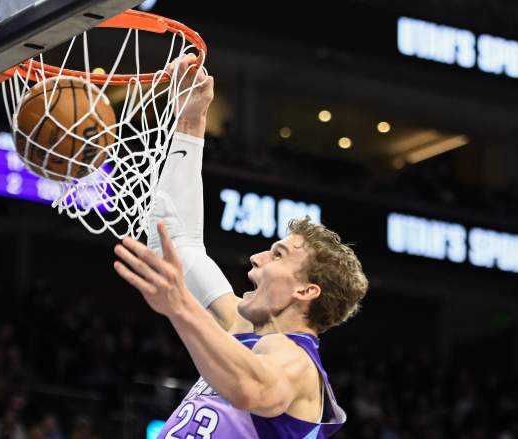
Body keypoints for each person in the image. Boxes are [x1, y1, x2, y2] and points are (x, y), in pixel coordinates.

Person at [113, 54, 369, 438]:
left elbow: (254, 389)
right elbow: (178, 241)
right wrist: (191, 121)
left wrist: (182, 306)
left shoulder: (297, 363)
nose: (256, 257)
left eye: (277, 254)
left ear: (306, 290)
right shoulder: (238, 325)